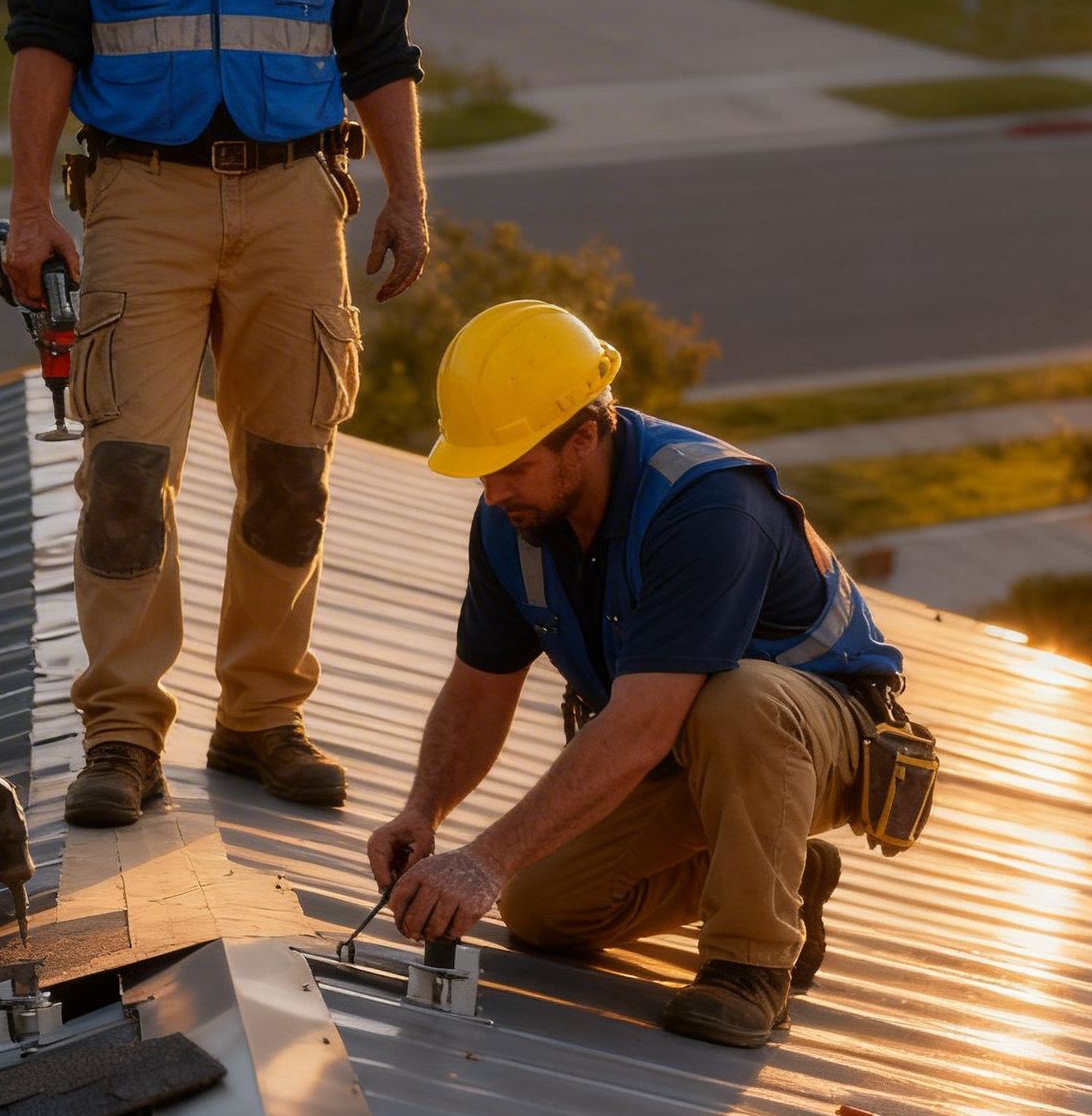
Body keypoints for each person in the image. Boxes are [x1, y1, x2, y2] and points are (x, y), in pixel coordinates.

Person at [1, 0, 428, 829]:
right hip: (141, 193)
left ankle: (261, 719)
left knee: (291, 472)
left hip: (300, 192)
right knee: (126, 470)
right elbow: (45, 39)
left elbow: (380, 40)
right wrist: (31, 208)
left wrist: (407, 193)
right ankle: (123, 732)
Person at [369, 301, 933, 1048]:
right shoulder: (517, 521)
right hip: (687, 747)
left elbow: (642, 725)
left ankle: (751, 966)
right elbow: (478, 688)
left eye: (512, 467)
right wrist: (424, 810)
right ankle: (785, 876)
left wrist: (487, 859)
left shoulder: (707, 508)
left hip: (818, 735)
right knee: (543, 909)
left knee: (741, 699)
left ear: (585, 436)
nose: (494, 492)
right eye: (482, 471)